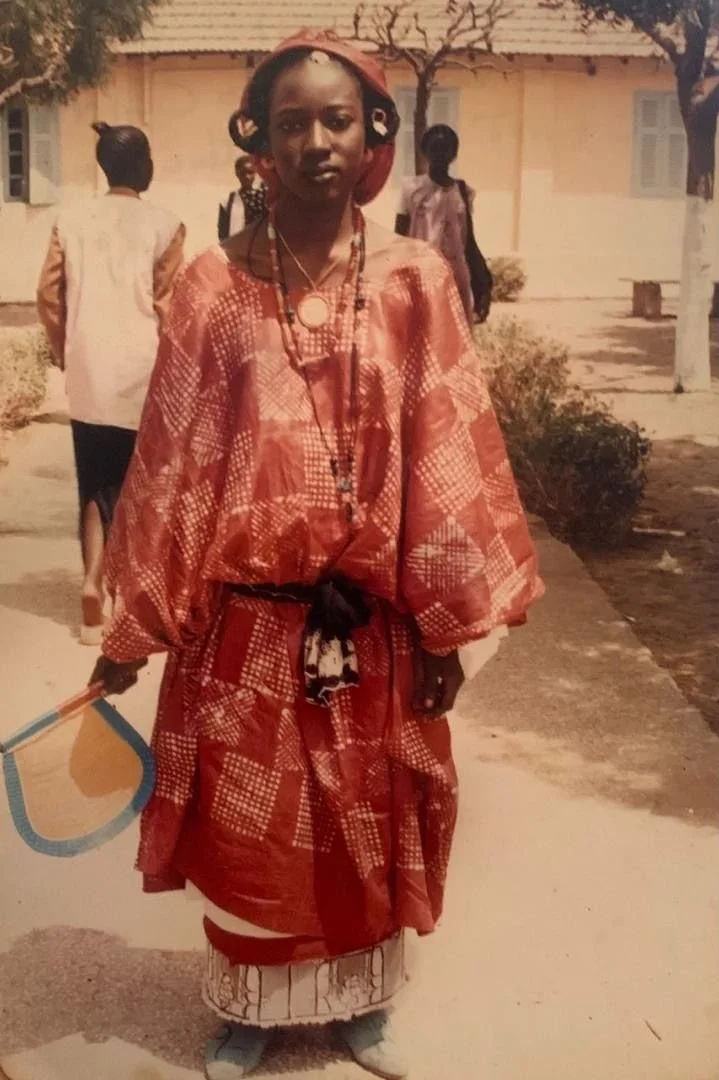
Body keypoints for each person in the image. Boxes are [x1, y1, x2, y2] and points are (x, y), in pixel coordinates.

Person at [89, 30, 542, 1080]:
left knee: (363, 823)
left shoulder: (418, 281)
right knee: (252, 836)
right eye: (291, 122)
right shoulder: (210, 290)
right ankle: (249, 1010)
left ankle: (362, 1007)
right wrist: (136, 630)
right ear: (258, 142)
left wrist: (446, 627)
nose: (316, 141)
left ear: (374, 132)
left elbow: (451, 450)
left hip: (373, 628)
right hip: (245, 628)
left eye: (337, 119)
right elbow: (170, 469)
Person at [36, 122, 185, 645]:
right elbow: (169, 306)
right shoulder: (166, 225)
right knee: (135, 483)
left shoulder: (71, 219)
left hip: (88, 370)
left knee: (93, 480)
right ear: (144, 166)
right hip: (142, 371)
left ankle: (92, 583)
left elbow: (49, 296)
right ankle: (124, 592)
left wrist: (64, 349)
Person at [396, 123, 492, 325]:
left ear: (453, 155)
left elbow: (469, 240)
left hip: (456, 278)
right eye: (435, 149)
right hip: (420, 276)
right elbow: (399, 240)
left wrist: (483, 280)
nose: (440, 155)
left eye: (445, 149)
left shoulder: (463, 192)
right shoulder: (411, 189)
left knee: (454, 342)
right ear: (426, 151)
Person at [217, 154, 268, 240]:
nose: (247, 177)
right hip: (236, 248)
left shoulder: (263, 196)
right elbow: (222, 232)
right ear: (237, 173)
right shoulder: (228, 201)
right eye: (243, 173)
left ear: (255, 172)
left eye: (250, 172)